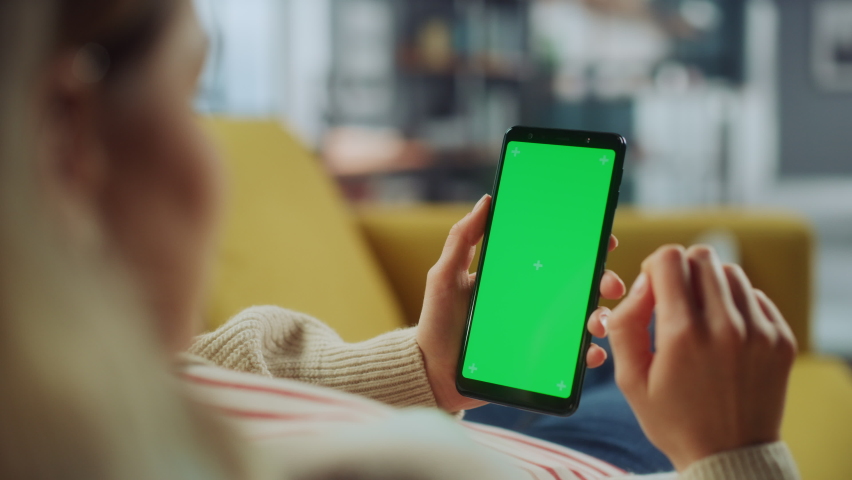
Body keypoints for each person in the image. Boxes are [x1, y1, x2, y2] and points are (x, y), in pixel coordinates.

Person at [0, 0, 800, 479]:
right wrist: (738, 453)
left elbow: (202, 370)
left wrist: (419, 367)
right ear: (69, 139)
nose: (219, 156)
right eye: (194, 94)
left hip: (472, 427)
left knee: (613, 342)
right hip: (588, 460)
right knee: (650, 333)